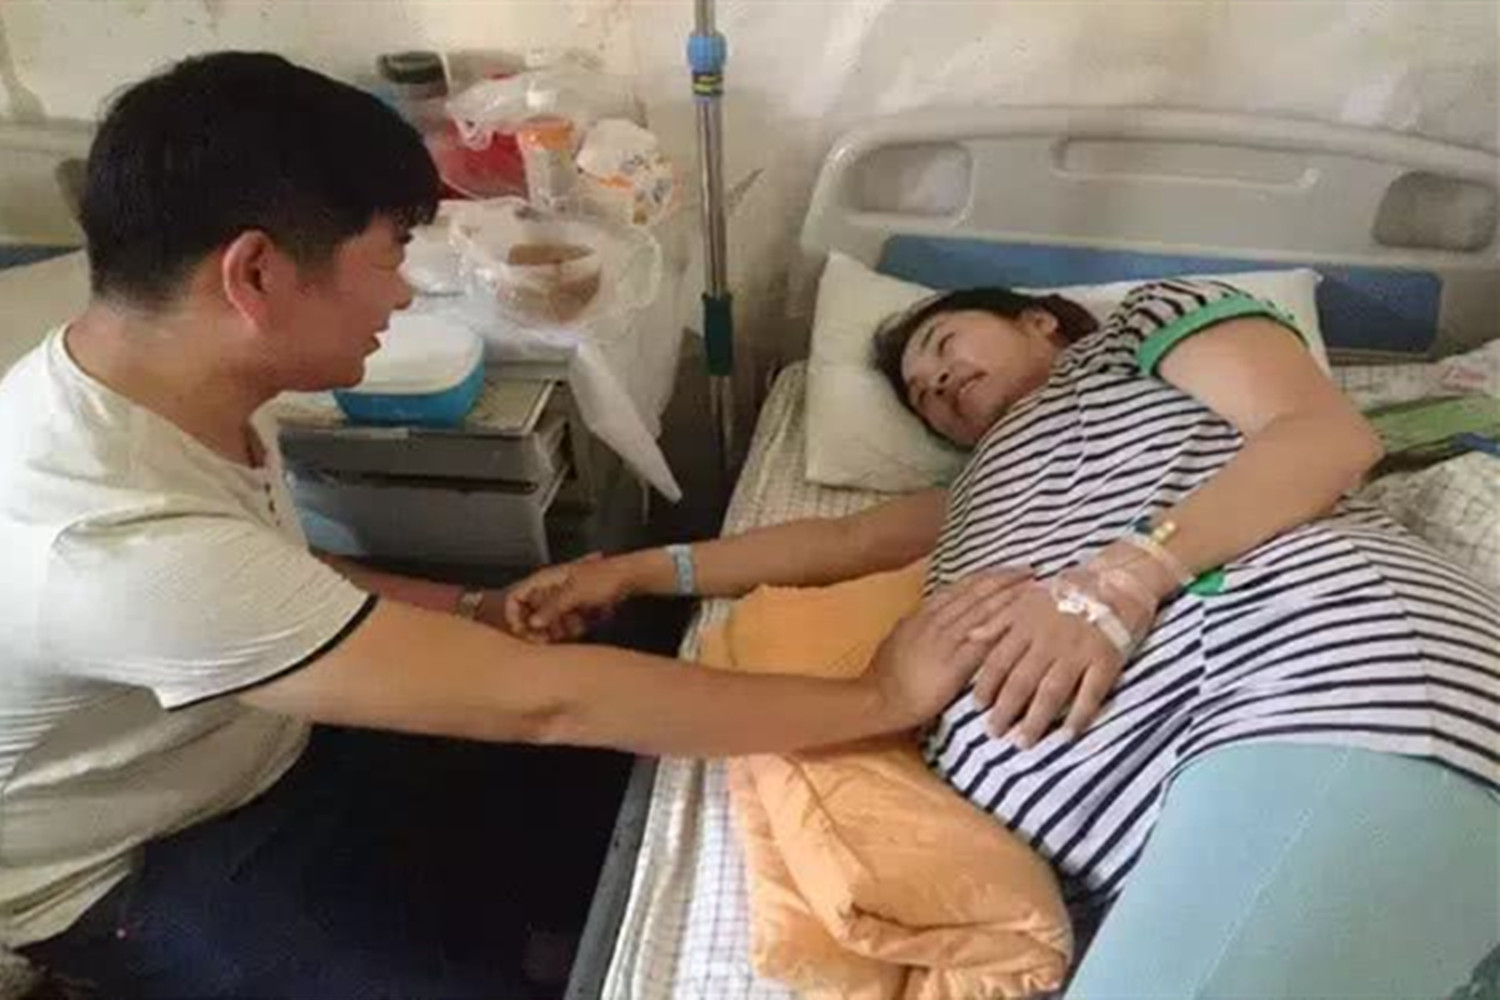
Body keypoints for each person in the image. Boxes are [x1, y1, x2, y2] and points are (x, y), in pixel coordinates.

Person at [0, 53, 1024, 999]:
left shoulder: (164, 379)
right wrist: (878, 695)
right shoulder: (107, 541)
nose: (404, 292)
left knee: (615, 699)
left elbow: (271, 574)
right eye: (390, 256)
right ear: (256, 275)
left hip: (260, 734)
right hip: (137, 863)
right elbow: (545, 706)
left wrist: (474, 608)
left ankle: (505, 904)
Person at [507, 280, 1500, 997]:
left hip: (1300, 675)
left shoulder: (1144, 332)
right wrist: (632, 571)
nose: (938, 382)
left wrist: (1123, 579)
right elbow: (836, 542)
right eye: (922, 394)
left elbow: (1324, 435)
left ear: (1041, 319)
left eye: (945, 343)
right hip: (1135, 838)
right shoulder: (986, 485)